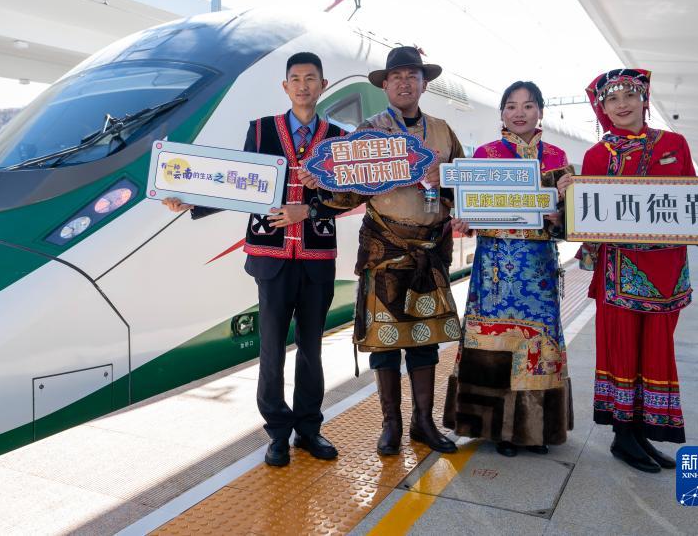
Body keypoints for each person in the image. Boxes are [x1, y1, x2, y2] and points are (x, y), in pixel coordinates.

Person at [162, 52, 345, 468]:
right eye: (295, 78)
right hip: (271, 257)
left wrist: (311, 208)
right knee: (271, 349)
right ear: (285, 87)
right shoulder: (261, 130)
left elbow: (347, 196)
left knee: (312, 348)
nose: (303, 85)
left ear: (323, 85)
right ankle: (277, 432)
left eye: (310, 78)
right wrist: (191, 200)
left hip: (316, 256)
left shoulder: (338, 138)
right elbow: (240, 185)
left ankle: (309, 428)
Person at [560, 68, 698, 473]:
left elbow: (693, 203)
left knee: (657, 351)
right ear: (602, 109)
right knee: (623, 351)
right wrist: (570, 196)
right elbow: (586, 219)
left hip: (667, 272)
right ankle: (624, 436)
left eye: (630, 95)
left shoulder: (675, 144)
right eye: (612, 99)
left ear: (644, 100)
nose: (622, 104)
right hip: (619, 273)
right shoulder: (597, 155)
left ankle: (642, 434)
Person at [312, 46, 464, 456]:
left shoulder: (443, 131)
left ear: (424, 84)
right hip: (384, 250)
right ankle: (391, 425)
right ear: (385, 85)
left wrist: (447, 178)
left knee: (424, 342)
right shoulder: (369, 132)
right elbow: (347, 194)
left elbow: (465, 188)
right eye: (396, 76)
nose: (404, 83)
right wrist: (321, 184)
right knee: (384, 342)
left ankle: (423, 423)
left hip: (429, 251)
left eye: (412, 76)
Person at [442, 81, 575, 457]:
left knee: (538, 347)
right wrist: (464, 221)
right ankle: (496, 429)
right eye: (511, 106)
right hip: (494, 270)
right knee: (493, 343)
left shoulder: (557, 157)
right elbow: (469, 211)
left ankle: (536, 429)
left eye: (528, 105)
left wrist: (559, 215)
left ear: (540, 112)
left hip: (538, 269)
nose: (519, 113)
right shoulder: (485, 155)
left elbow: (569, 223)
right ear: (502, 113)